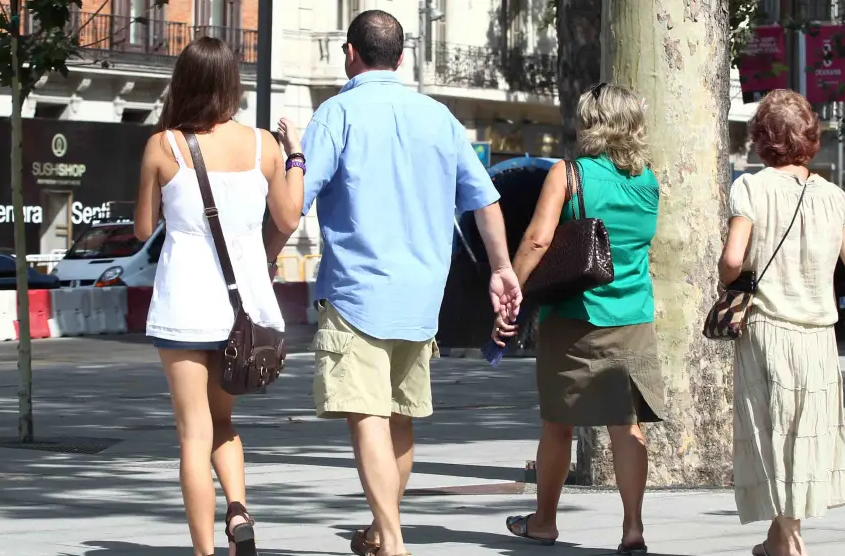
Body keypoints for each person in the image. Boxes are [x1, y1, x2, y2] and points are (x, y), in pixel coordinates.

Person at [263, 10, 520, 556]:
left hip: (357, 292)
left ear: (349, 53)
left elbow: (292, 206)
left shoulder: (336, 115)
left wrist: (263, 258)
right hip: (422, 297)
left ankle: (394, 541)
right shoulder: (439, 118)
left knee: (368, 415)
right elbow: (485, 200)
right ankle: (383, 532)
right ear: (401, 58)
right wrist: (502, 268)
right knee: (401, 418)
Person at [717, 89, 845, 556]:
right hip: (820, 336)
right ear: (810, 137)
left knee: (773, 434)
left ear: (762, 137)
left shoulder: (751, 188)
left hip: (767, 329)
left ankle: (787, 544)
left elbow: (732, 260)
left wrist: (730, 278)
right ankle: (778, 542)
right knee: (803, 437)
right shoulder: (833, 196)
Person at [134, 37, 305, 556]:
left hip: (185, 306)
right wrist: (295, 154)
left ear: (182, 81)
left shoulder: (164, 145)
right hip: (243, 311)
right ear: (232, 82)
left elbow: (142, 228)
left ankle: (205, 551)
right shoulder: (262, 145)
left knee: (193, 433)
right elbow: (287, 218)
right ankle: (238, 510)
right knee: (223, 421)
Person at [492, 83, 664, 555]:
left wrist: (511, 289)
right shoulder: (648, 181)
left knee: (558, 423)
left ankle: (544, 522)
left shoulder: (568, 174)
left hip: (573, 315)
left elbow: (537, 240)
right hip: (632, 316)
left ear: (593, 123)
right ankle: (632, 529)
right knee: (626, 426)